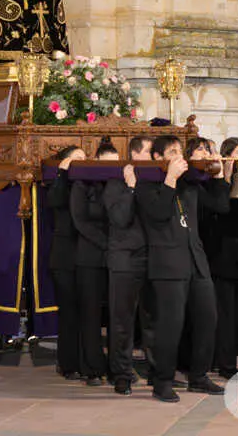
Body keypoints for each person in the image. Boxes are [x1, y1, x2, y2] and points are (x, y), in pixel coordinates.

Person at [136, 136, 224, 403]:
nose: (178, 155)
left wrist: (219, 176)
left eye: (179, 151)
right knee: (169, 326)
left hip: (196, 261)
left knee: (208, 319)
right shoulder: (145, 185)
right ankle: (162, 381)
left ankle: (199, 376)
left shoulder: (189, 184)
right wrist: (170, 179)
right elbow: (159, 214)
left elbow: (220, 206)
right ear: (157, 157)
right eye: (172, 151)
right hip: (167, 265)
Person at [104, 136, 151, 395]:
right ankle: (121, 374)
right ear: (135, 154)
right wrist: (132, 188)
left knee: (152, 320)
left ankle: (156, 372)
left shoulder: (156, 180)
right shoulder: (116, 182)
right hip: (125, 259)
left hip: (152, 257)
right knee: (122, 320)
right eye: (149, 152)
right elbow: (120, 218)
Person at [69, 138, 115, 386]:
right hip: (89, 256)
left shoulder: (119, 184)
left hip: (116, 257)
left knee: (116, 315)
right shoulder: (82, 184)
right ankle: (92, 367)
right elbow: (80, 221)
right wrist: (106, 243)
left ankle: (117, 366)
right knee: (90, 314)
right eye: (105, 164)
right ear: (96, 162)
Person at [208, 138, 238, 378]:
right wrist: (225, 178)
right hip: (223, 255)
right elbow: (222, 210)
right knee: (226, 314)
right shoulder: (217, 183)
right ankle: (225, 363)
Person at [45, 145, 86, 379]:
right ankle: (68, 363)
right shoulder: (59, 184)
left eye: (84, 158)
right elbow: (55, 200)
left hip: (86, 255)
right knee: (69, 313)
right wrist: (62, 172)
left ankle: (86, 362)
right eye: (77, 158)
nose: (82, 162)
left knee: (86, 312)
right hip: (64, 257)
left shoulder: (87, 185)